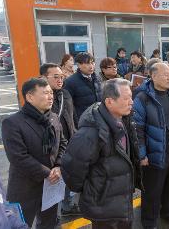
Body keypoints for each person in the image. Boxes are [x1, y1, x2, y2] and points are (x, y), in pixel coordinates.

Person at [61, 79, 141, 229]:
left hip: (122, 201)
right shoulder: (91, 132)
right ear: (109, 102)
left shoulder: (124, 119)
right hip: (103, 206)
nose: (131, 102)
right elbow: (72, 170)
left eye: (131, 97)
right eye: (126, 98)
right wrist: (93, 190)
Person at [2, 78, 67, 228]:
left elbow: (62, 143)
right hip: (24, 188)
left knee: (49, 224)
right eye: (45, 93)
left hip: (51, 186)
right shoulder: (12, 123)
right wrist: (48, 173)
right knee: (18, 225)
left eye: (51, 93)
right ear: (30, 97)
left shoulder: (53, 117)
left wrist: (58, 166)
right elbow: (18, 157)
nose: (51, 96)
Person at [133, 63, 169, 228]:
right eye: (165, 74)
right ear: (153, 76)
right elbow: (137, 128)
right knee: (152, 190)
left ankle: (167, 212)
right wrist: (142, 154)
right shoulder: (143, 97)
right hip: (153, 149)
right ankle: (149, 221)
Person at [39, 63, 78, 215]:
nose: (60, 80)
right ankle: (53, 214)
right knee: (52, 180)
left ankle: (67, 206)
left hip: (69, 142)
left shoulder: (65, 94)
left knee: (66, 175)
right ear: (43, 77)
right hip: (50, 148)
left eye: (61, 76)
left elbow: (72, 116)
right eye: (56, 77)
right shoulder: (40, 97)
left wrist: (76, 133)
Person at [64, 52, 102, 120]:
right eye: (87, 63)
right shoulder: (70, 82)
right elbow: (68, 106)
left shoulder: (98, 78)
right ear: (79, 65)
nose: (91, 66)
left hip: (99, 118)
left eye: (92, 63)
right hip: (83, 121)